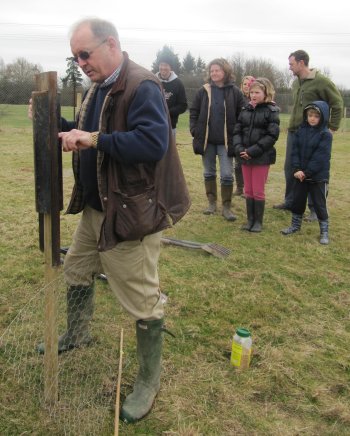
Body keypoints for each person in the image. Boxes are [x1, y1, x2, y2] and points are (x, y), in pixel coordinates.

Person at [31, 18, 190, 424]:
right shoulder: (98, 87)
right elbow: (87, 132)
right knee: (78, 270)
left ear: (112, 45)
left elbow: (153, 143)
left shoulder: (142, 85)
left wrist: (93, 139)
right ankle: (78, 333)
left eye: (86, 53)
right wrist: (54, 122)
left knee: (142, 299)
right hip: (97, 207)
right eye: (76, 57)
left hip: (131, 212)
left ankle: (148, 382)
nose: (81, 62)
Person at [273, 50, 343, 217]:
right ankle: (291, 201)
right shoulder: (295, 83)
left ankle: (314, 209)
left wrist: (331, 128)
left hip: (315, 134)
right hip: (295, 132)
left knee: (313, 170)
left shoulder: (321, 82)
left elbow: (337, 103)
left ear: (301, 62)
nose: (289, 68)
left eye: (291, 64)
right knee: (291, 167)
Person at [190, 58, 245, 221]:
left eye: (217, 70)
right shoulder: (203, 91)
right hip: (207, 141)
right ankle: (212, 204)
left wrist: (237, 135)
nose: (214, 73)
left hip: (226, 142)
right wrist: (195, 130)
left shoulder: (235, 92)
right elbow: (193, 111)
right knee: (208, 173)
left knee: (227, 175)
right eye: (211, 70)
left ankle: (226, 207)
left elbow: (242, 116)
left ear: (225, 72)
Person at [231, 78, 280, 232]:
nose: (253, 95)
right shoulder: (245, 110)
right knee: (248, 190)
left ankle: (258, 222)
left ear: (266, 93)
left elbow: (272, 136)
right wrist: (239, 149)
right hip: (244, 156)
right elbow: (237, 131)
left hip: (261, 157)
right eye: (251, 92)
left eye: (257, 92)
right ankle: (250, 220)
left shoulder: (271, 112)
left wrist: (252, 151)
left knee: (258, 190)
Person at [281, 101, 332, 244]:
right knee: (298, 201)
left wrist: (307, 172)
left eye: (316, 116)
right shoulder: (299, 131)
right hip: (300, 175)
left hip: (317, 177)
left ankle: (324, 231)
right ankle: (295, 226)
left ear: (323, 117)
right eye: (310, 115)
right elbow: (295, 152)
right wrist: (297, 169)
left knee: (319, 204)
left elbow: (321, 157)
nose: (313, 118)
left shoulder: (325, 135)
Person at [233, 75, 256, 197]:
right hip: (239, 134)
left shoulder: (256, 99)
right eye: (244, 84)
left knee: (250, 162)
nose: (247, 86)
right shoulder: (238, 98)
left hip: (251, 136)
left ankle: (249, 188)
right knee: (238, 163)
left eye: (249, 84)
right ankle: (239, 187)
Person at [155, 56, 187, 141]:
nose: (163, 67)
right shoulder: (153, 81)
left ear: (170, 67)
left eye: (166, 65)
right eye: (161, 65)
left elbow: (183, 105)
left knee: (170, 153)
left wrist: (167, 112)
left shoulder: (178, 83)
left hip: (170, 126)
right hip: (153, 125)